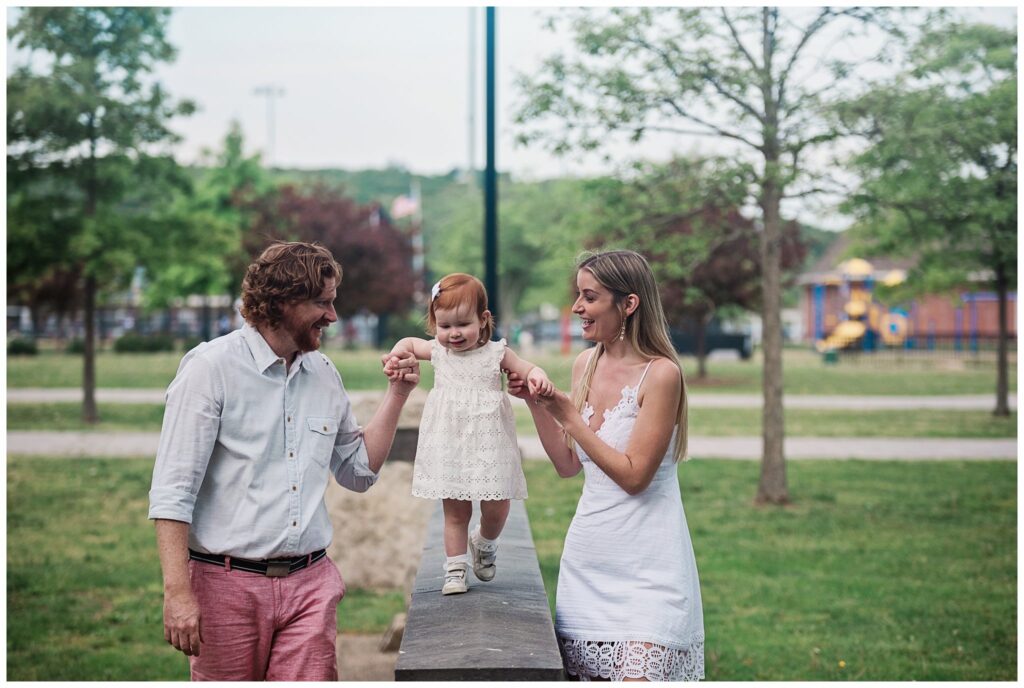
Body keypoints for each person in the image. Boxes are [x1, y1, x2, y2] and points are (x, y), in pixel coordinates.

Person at [148, 241, 420, 681]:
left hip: (311, 585)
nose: (333, 317)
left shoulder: (324, 374)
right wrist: (177, 593)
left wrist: (398, 395)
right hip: (225, 587)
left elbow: (358, 471)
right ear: (281, 302)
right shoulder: (209, 370)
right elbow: (173, 492)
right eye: (322, 304)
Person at [508, 250, 705, 681]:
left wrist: (569, 416)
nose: (577, 307)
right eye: (578, 295)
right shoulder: (586, 363)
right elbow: (566, 464)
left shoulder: (662, 375)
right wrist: (535, 403)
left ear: (628, 304)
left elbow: (635, 477)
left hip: (650, 569)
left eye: (589, 297)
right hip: (589, 563)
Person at [382, 272, 554, 595]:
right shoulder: (437, 352)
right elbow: (406, 344)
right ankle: (455, 569)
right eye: (445, 326)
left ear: (483, 318)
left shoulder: (497, 353)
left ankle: (484, 542)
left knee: (498, 506)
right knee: (456, 510)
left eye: (462, 324)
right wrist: (395, 355)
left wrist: (538, 375)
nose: (454, 333)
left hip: (491, 444)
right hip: (451, 443)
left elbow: (527, 368)